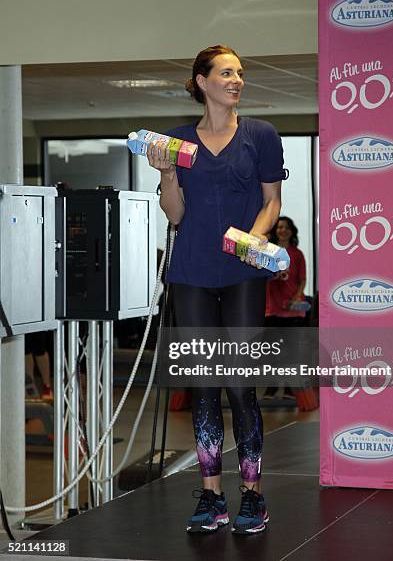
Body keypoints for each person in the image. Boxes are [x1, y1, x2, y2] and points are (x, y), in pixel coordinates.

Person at [146, 45, 287, 534]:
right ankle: (211, 498)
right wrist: (166, 173)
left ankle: (252, 496)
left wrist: (257, 236)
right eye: (227, 73)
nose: (237, 80)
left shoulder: (262, 136)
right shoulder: (179, 142)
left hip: (243, 273)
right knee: (205, 388)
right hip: (191, 273)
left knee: (240, 386)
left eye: (240, 73)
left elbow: (272, 202)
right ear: (202, 82)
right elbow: (176, 214)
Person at [264, 217, 307, 399]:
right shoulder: (267, 252)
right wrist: (273, 276)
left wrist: (297, 297)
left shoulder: (297, 254)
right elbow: (261, 276)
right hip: (272, 308)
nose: (283, 230)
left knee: (291, 352)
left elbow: (303, 279)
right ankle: (272, 388)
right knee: (273, 351)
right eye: (280, 227)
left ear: (292, 231)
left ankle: (290, 389)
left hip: (293, 309)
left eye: (286, 227)